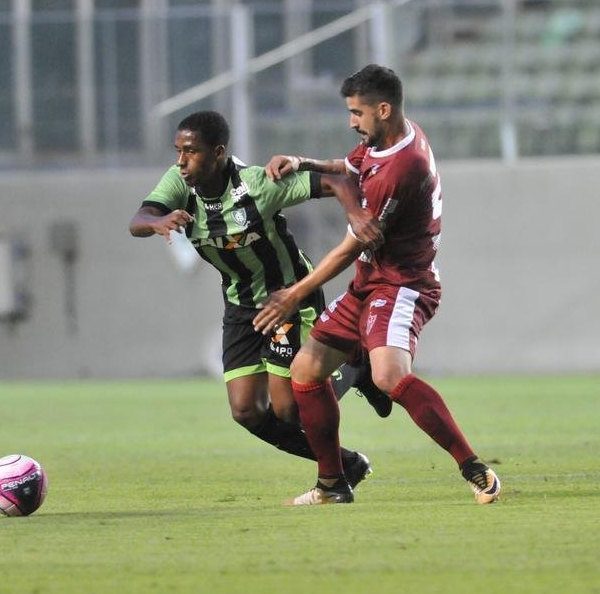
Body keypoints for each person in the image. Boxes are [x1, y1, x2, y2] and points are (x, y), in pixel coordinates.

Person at [254, 64, 501, 506]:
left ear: (382, 110)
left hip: (403, 285)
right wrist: (302, 161)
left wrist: (293, 294)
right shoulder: (393, 137)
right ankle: (332, 484)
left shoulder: (403, 168)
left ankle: (474, 468)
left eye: (357, 113)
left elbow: (350, 248)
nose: (352, 122)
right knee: (306, 370)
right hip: (371, 283)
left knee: (390, 376)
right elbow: (352, 164)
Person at [128, 110, 390, 486]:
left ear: (218, 153)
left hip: (288, 297)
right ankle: (346, 463)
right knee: (246, 411)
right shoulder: (179, 182)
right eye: (178, 151)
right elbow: (138, 219)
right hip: (240, 306)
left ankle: (354, 369)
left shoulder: (257, 185)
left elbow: (335, 181)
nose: (181, 160)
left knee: (289, 411)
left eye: (191, 152)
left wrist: (356, 215)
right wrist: (156, 223)